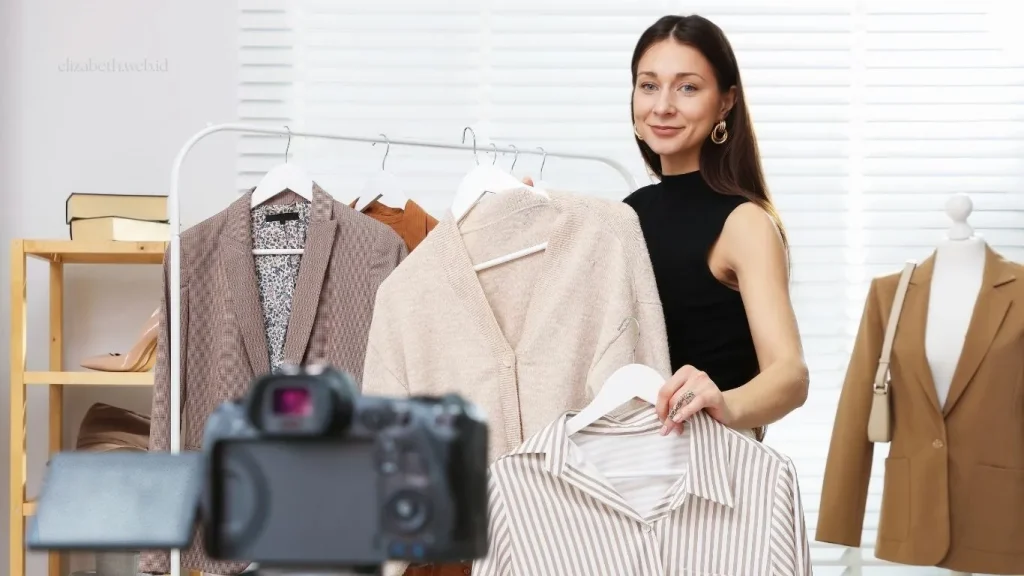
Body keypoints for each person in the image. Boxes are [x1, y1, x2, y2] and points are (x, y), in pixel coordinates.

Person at [525, 14, 809, 440]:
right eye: (648, 85)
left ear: (726, 102)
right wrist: (529, 226)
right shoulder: (628, 213)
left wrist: (724, 403)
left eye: (687, 87)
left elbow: (790, 375)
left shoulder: (745, 222)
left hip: (710, 461)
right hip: (627, 459)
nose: (662, 106)